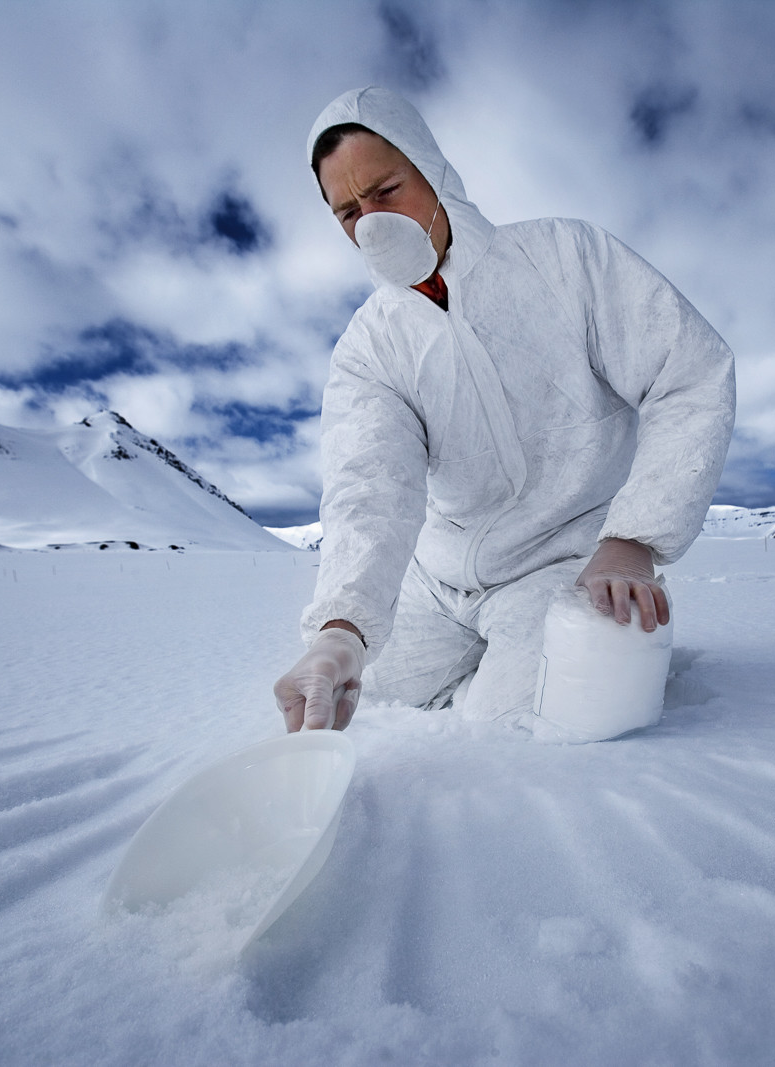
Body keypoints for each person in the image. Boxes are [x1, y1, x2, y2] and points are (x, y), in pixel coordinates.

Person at [274, 86, 735, 733]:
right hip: (436, 583)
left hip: (565, 564)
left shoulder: (565, 258)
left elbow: (688, 371)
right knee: (361, 689)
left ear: (431, 172)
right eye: (348, 211)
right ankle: (473, 663)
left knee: (532, 721)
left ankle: (591, 655)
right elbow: (369, 484)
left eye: (385, 190)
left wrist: (633, 541)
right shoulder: (370, 344)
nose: (371, 221)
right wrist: (341, 629)